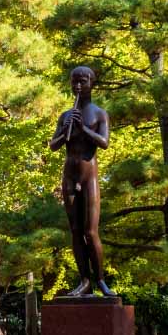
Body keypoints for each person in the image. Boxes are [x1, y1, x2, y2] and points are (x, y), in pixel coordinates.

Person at [48, 66, 115, 297]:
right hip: (69, 175)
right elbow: (54, 145)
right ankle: (84, 281)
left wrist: (82, 128)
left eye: (82, 81)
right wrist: (66, 128)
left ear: (91, 84)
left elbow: (104, 142)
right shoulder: (66, 115)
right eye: (74, 81)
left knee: (90, 231)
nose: (77, 86)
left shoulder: (99, 114)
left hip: (89, 177)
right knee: (75, 231)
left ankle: (100, 280)